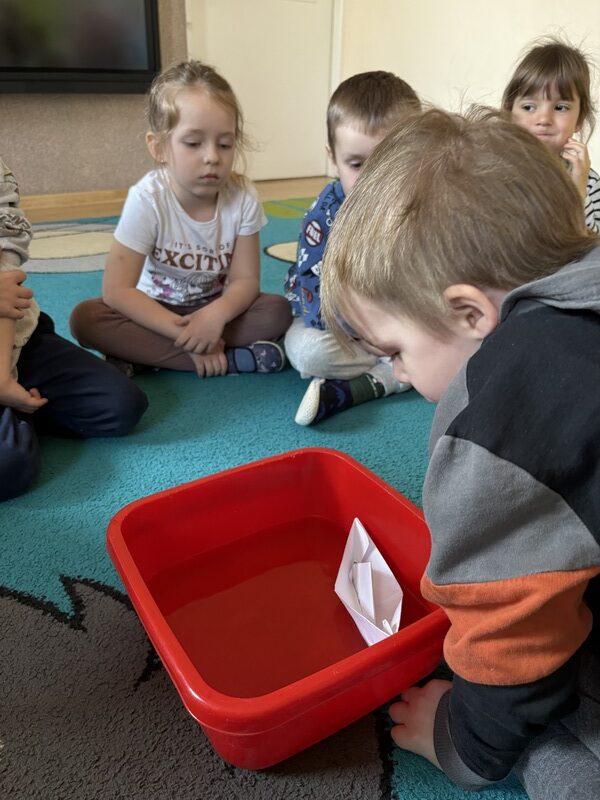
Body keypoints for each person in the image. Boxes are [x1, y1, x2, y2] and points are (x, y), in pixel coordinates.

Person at [320, 108, 600, 798]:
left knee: (558, 759)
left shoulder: (499, 421)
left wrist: (460, 739)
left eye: (395, 352)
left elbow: (511, 643)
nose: (399, 373)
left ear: (471, 313)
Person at [70, 60, 291, 378]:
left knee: (277, 312)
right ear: (159, 147)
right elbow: (117, 290)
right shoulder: (148, 199)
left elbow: (245, 281)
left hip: (214, 313)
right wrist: (185, 335)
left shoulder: (242, 197)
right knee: (86, 319)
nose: (212, 156)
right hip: (152, 312)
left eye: (225, 144)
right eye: (193, 143)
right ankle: (229, 359)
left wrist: (214, 317)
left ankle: (144, 356)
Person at [0, 158, 148, 502]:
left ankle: (17, 412)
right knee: (10, 465)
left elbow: (7, 269)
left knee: (121, 405)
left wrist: (3, 378)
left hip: (18, 341)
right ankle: (17, 419)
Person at [284, 71, 420, 425]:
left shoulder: (425, 201)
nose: (374, 179)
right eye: (357, 165)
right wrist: (368, 333)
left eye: (390, 163)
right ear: (333, 157)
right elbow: (316, 297)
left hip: (404, 321)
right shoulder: (324, 216)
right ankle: (397, 372)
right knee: (306, 351)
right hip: (344, 328)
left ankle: (381, 377)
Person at [502, 37, 600, 232]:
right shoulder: (494, 169)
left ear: (579, 120)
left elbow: (593, 245)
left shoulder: (588, 181)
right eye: (529, 107)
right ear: (509, 112)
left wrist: (577, 192)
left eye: (560, 107)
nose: (544, 119)